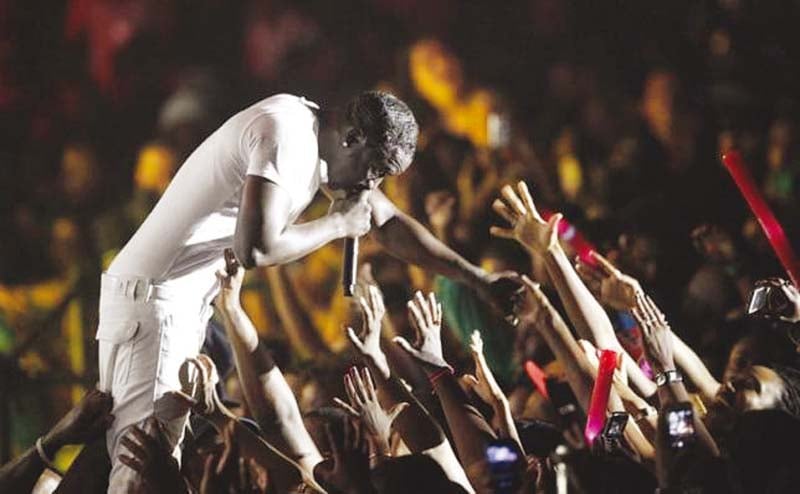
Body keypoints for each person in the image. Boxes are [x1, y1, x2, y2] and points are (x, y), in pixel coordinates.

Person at [96, 90, 520, 491]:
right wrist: (337, 225)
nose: (372, 186)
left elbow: (386, 223)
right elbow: (256, 248)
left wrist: (477, 280)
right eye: (375, 171)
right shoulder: (287, 137)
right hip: (157, 302)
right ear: (352, 138)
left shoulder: (317, 138)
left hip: (169, 300)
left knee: (150, 458)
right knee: (139, 470)